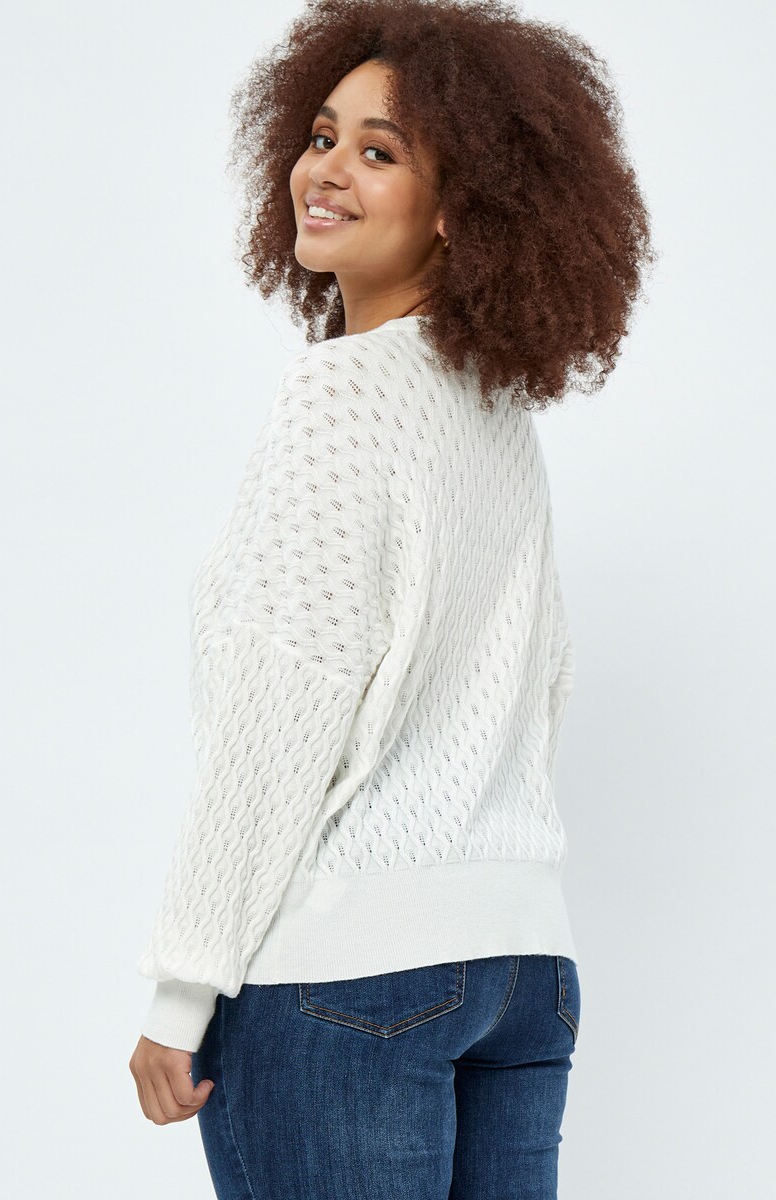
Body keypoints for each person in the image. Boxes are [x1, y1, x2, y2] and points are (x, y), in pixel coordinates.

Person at [129, 2, 655, 1196]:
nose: (325, 170)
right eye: (322, 136)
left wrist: (182, 989)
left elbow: (281, 709)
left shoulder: (341, 398)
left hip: (350, 974)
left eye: (379, 151)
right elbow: (540, 683)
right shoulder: (495, 414)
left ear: (462, 206)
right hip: (525, 970)